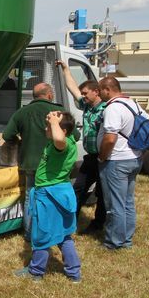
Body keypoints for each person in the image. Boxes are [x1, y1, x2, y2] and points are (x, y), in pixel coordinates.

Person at [14, 111, 81, 282]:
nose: (46, 127)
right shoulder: (67, 141)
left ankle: (36, 272)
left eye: (49, 125)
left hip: (50, 195)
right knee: (64, 235)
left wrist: (54, 122)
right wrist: (54, 123)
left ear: (62, 130)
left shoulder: (62, 144)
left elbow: (59, 139)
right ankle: (74, 273)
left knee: (42, 233)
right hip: (60, 193)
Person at [2, 83, 65, 240]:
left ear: (34, 96)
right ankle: (52, 231)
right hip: (54, 164)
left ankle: (30, 233)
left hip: (30, 163)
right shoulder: (59, 112)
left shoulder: (22, 112)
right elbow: (75, 136)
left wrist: (20, 138)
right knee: (53, 197)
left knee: (31, 197)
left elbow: (7, 135)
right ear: (50, 95)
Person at [55, 61, 107, 231]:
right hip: (90, 157)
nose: (83, 96)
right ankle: (71, 222)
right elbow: (73, 89)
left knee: (102, 193)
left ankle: (98, 224)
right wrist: (66, 69)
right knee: (78, 188)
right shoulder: (87, 106)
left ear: (96, 92)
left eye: (86, 94)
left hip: (104, 157)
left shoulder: (107, 109)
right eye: (83, 94)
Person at [97, 76, 145, 250]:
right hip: (134, 158)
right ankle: (126, 239)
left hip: (116, 160)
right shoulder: (134, 104)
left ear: (107, 89)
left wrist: (102, 157)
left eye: (100, 90)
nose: (99, 94)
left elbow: (110, 139)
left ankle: (114, 242)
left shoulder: (113, 108)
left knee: (114, 204)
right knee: (127, 202)